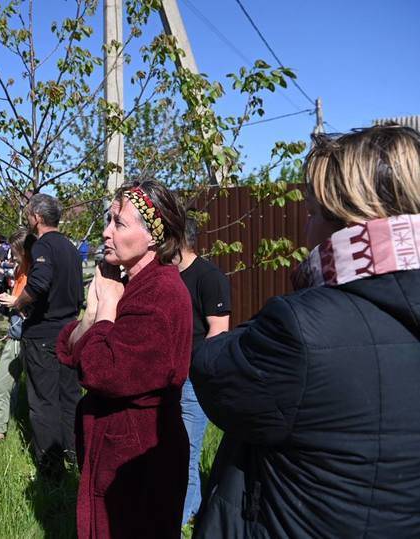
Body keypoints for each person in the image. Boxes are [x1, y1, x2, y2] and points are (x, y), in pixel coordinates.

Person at [192, 125, 420, 537]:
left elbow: (212, 370)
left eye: (313, 212)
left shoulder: (300, 329)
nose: (306, 230)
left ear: (349, 221)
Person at [56, 178, 192, 538]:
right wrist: (93, 311)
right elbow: (71, 351)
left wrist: (109, 308)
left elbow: (102, 372)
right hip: (118, 446)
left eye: (119, 223)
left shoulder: (159, 294)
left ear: (154, 236)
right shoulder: (129, 282)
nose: (105, 232)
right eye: (108, 220)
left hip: (138, 457)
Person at [0, 193, 83, 478]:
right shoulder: (70, 247)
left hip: (45, 333)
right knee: (69, 396)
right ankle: (75, 453)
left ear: (37, 217)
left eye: (29, 215)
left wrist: (18, 302)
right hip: (71, 330)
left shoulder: (44, 245)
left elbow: (41, 283)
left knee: (44, 401)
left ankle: (51, 467)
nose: (28, 219)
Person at [177, 216, 231, 526]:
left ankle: (179, 519)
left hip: (193, 379)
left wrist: (199, 374)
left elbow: (218, 332)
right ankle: (195, 509)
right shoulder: (168, 276)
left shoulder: (209, 277)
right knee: (178, 451)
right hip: (169, 377)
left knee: (186, 451)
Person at [0, 228, 35, 441]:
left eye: (14, 251)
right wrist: (9, 298)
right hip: (16, 335)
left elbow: (35, 305)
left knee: (37, 393)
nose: (11, 255)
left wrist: (15, 302)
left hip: (31, 337)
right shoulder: (19, 271)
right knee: (0, 386)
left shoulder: (36, 272)